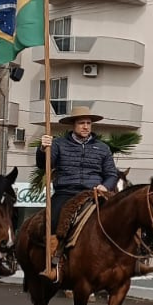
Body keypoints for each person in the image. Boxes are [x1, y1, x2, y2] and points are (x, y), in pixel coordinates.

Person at [38, 105, 119, 280]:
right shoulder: (58, 144)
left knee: (119, 216)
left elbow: (112, 174)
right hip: (67, 191)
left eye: (88, 123)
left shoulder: (103, 148)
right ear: (73, 125)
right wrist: (43, 149)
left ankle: (125, 261)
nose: (86, 126)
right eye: (81, 123)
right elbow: (44, 164)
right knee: (52, 219)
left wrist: (105, 186)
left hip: (95, 193)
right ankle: (53, 263)